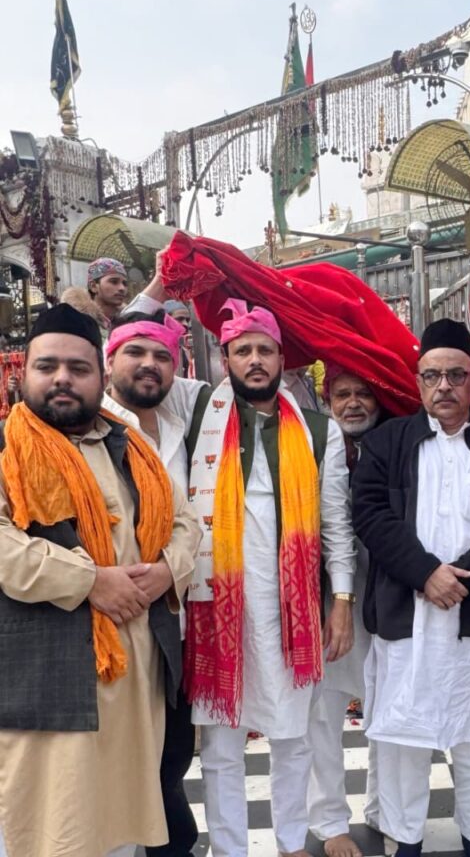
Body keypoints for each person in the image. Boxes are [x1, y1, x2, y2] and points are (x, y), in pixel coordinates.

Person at [0, 303, 200, 857]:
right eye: (47, 366)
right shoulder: (7, 449)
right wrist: (89, 581)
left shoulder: (131, 446)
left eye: (78, 367)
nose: (62, 378)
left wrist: (167, 571)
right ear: (24, 373)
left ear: (100, 375)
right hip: (52, 676)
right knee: (54, 829)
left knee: (125, 827)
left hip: (137, 677)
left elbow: (185, 523)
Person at [352, 318, 470, 857]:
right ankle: (406, 840)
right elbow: (370, 513)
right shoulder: (387, 443)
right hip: (405, 616)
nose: (444, 386)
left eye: (456, 375)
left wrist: (461, 577)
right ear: (418, 381)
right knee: (403, 741)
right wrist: (426, 573)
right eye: (433, 376)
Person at [186, 299, 356, 857]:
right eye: (243, 351)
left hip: (292, 610)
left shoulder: (319, 431)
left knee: (293, 737)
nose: (254, 360)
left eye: (265, 350)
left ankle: (291, 843)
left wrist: (341, 600)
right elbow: (127, 373)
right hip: (215, 607)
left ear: (283, 359)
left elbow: (336, 524)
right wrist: (160, 289)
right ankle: (230, 849)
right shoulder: (199, 415)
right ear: (225, 359)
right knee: (221, 745)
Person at [102, 307, 204, 857]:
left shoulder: (183, 419)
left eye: (162, 356)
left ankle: (170, 843)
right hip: (109, 620)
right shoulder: (90, 423)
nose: (149, 364)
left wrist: (169, 570)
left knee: (173, 751)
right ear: (108, 360)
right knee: (117, 755)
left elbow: (187, 521)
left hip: (174, 618)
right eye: (134, 352)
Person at [306, 367, 385, 857]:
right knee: (322, 714)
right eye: (342, 395)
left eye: (363, 394)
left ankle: (385, 809)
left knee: (388, 711)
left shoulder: (398, 441)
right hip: (324, 599)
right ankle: (329, 820)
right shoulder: (309, 442)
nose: (352, 403)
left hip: (387, 601)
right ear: (326, 398)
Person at [86, 258, 130, 330]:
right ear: (93, 286)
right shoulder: (78, 321)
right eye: (114, 282)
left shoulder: (129, 321)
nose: (122, 288)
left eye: (125, 283)